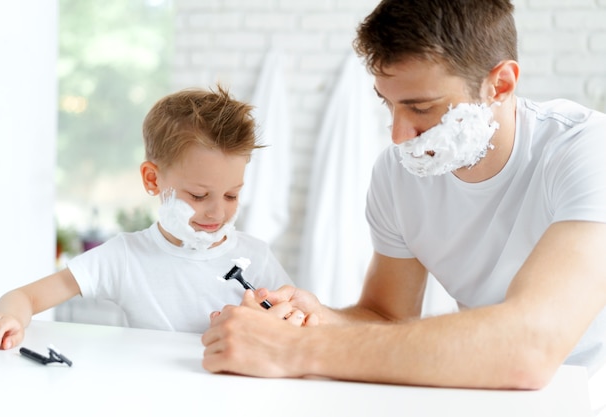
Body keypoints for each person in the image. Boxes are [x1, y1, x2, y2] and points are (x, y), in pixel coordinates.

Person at [201, 0, 606, 405]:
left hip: (587, 392)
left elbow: (529, 348)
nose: (398, 135)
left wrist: (291, 350)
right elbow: (385, 317)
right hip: (488, 389)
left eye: (422, 108)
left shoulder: (584, 151)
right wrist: (319, 319)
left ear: (499, 84)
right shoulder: (399, 175)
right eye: (387, 103)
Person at [0, 85, 299, 350]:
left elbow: (300, 325)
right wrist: (7, 318)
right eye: (199, 196)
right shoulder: (125, 256)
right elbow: (24, 296)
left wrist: (274, 324)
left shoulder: (256, 258)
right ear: (152, 179)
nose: (218, 211)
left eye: (232, 195)